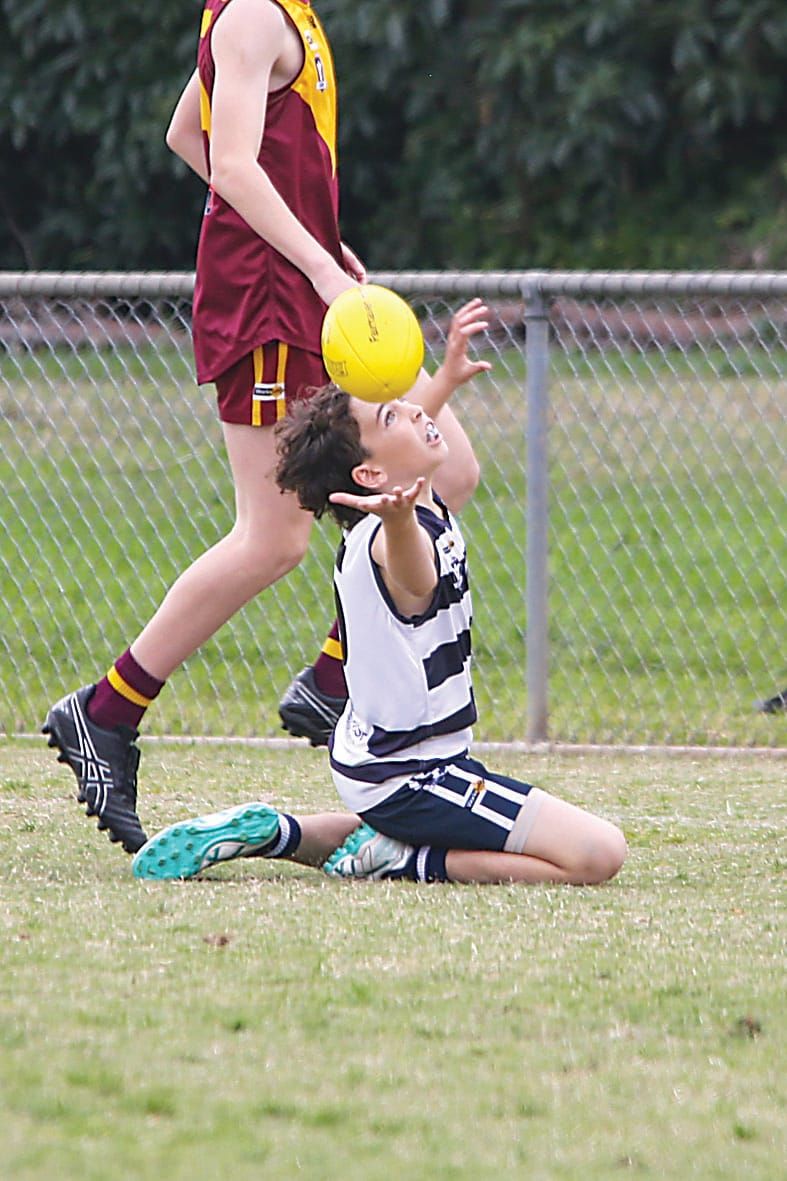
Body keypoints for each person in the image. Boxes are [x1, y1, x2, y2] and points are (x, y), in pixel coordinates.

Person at [42, 0, 479, 855]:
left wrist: (320, 246)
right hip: (270, 300)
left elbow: (187, 130)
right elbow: (230, 163)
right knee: (272, 537)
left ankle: (331, 677)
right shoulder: (250, 14)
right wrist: (315, 263)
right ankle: (106, 711)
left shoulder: (282, 14)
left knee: (446, 469)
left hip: (303, 288)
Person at [132, 301, 627, 886]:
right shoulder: (390, 537)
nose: (415, 412)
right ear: (369, 478)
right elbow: (416, 580)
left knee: (477, 826)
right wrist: (398, 522)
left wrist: (443, 382)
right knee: (598, 853)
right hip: (411, 776)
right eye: (394, 416)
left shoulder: (409, 497)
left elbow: (397, 451)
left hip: (388, 767)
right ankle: (399, 858)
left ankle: (283, 832)